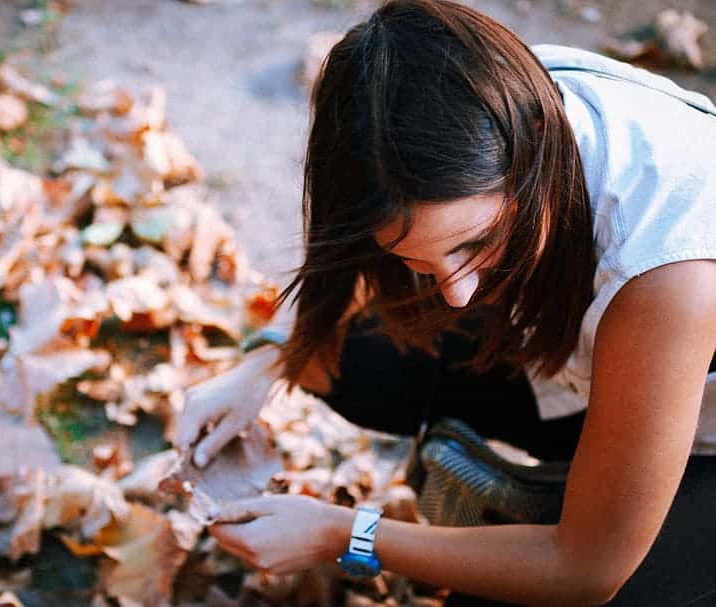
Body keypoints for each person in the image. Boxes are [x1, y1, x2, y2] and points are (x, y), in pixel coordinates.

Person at [173, 1, 716, 605]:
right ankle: (563, 482)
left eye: (475, 243)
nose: (455, 293)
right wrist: (268, 364)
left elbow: (585, 570)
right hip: (605, 361)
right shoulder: (473, 103)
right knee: (354, 364)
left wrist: (348, 534)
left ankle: (599, 500)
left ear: (533, 155)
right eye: (417, 261)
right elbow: (355, 276)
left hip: (701, 425)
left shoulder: (672, 272)